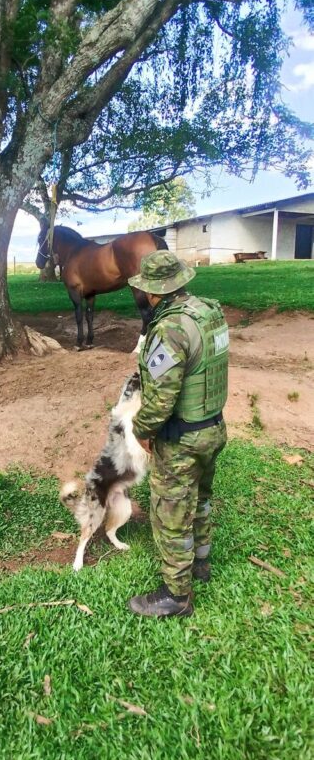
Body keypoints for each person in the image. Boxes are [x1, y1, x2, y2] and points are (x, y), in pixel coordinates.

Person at [127, 251, 229, 618]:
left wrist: (141, 431)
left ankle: (176, 595)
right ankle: (201, 563)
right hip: (214, 427)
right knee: (201, 497)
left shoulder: (169, 328)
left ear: (154, 293)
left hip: (183, 438)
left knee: (171, 512)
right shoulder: (209, 312)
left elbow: (162, 397)